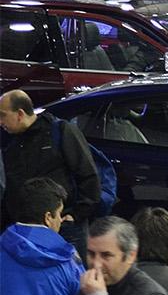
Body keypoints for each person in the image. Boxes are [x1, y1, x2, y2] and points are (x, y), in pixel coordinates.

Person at [1, 89, 100, 252]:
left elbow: (88, 175)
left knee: (72, 269)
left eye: (3, 115)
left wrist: (75, 215)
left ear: (20, 113)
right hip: (26, 234)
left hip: (64, 229)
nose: (0, 122)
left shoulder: (60, 131)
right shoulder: (12, 143)